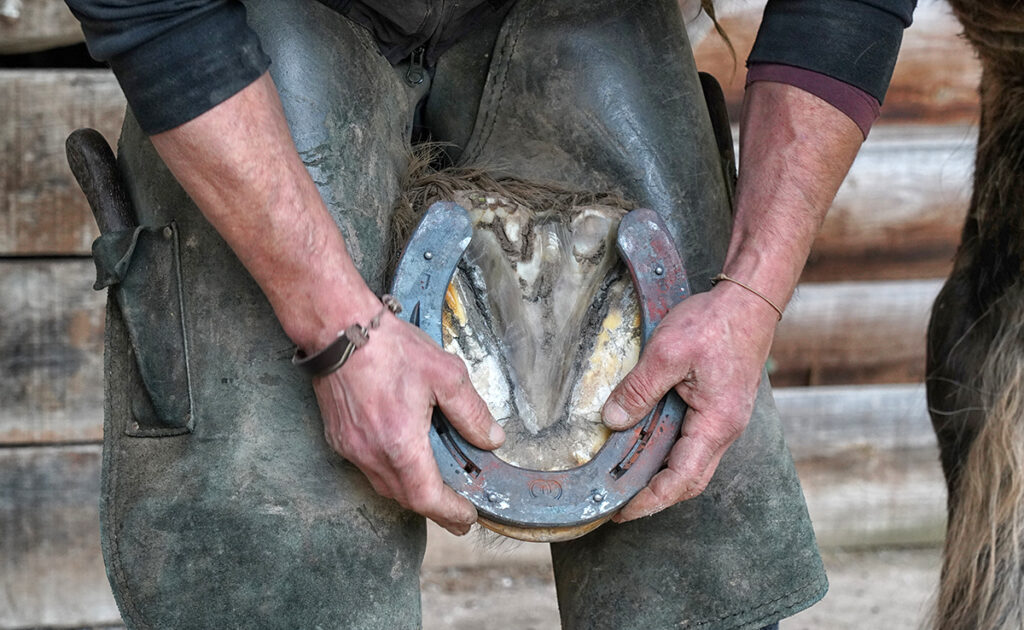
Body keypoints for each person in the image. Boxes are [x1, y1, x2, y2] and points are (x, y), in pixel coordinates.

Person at [66, 0, 915, 627]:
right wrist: (332, 324)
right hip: (262, 19)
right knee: (268, 519)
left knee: (691, 505)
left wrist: (751, 296)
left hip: (584, 13)